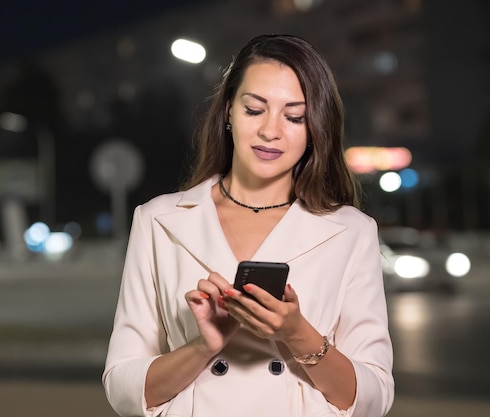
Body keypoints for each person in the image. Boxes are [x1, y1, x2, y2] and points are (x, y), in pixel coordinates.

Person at [102, 34, 394, 417]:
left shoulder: (351, 231)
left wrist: (296, 333)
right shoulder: (158, 220)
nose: (271, 131)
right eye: (254, 110)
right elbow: (122, 387)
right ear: (227, 111)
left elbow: (373, 397)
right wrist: (203, 346)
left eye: (294, 117)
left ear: (314, 129)